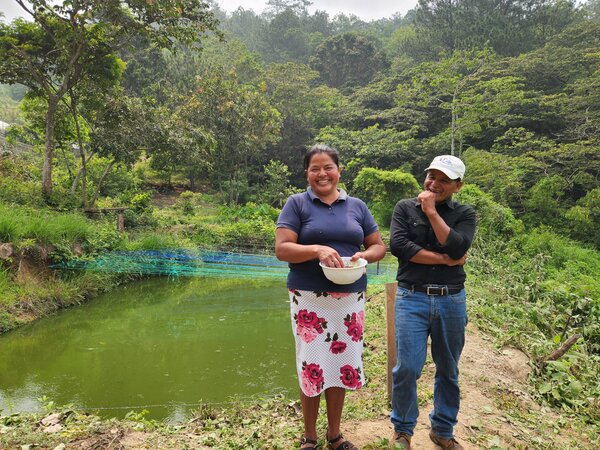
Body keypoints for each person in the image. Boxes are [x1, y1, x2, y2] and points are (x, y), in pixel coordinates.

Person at [276, 144, 386, 450]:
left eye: (328, 167)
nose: (322, 174)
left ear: (339, 171)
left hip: (349, 298)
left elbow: (379, 245)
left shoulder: (357, 207)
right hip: (309, 298)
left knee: (342, 364)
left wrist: (364, 255)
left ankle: (334, 435)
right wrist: (317, 249)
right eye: (315, 168)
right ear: (307, 174)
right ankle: (309, 437)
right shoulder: (297, 204)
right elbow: (282, 249)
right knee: (312, 363)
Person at [388, 155, 477, 450]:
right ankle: (403, 430)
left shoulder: (465, 213)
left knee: (448, 369)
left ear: (457, 186)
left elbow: (458, 245)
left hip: (451, 299)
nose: (434, 184)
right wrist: (444, 259)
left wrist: (431, 212)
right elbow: (400, 247)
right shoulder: (403, 208)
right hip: (411, 297)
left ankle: (442, 430)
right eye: (431, 176)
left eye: (443, 180)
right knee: (407, 369)